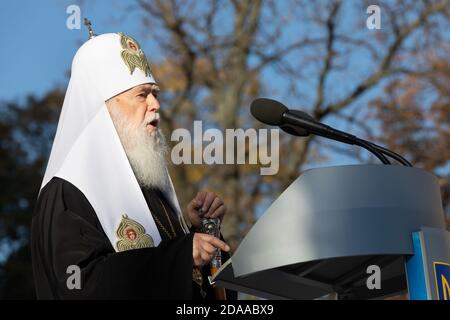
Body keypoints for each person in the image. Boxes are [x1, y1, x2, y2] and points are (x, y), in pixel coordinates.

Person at [31, 30, 234, 299]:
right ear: (104, 109)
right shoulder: (68, 192)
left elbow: (202, 294)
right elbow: (78, 284)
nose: (156, 104)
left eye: (155, 94)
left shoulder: (153, 192)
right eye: (142, 95)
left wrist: (204, 234)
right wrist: (180, 255)